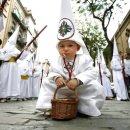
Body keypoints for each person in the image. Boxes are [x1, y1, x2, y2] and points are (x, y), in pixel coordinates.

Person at [36, 0, 105, 117]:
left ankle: (85, 108)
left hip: (80, 88)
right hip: (62, 88)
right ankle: (50, 106)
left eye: (70, 45)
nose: (66, 49)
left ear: (78, 47)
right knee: (47, 82)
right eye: (62, 46)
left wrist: (78, 80)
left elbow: (92, 72)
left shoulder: (85, 59)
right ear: (57, 48)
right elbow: (51, 72)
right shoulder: (56, 60)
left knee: (96, 86)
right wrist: (56, 77)